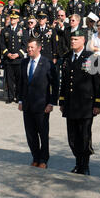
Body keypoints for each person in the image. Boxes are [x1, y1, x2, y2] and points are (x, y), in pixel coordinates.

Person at [59, 30, 100, 175]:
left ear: (83, 40)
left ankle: (84, 165)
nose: (73, 42)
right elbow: (65, 82)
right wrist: (62, 100)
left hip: (86, 104)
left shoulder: (91, 58)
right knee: (72, 137)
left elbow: (98, 81)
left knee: (84, 136)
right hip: (71, 103)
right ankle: (78, 163)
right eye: (72, 39)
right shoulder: (67, 57)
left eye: (76, 39)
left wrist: (98, 103)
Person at [18, 38, 59, 169]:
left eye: (32, 47)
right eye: (28, 47)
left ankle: (43, 159)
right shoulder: (24, 63)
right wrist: (20, 100)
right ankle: (35, 157)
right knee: (30, 134)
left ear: (39, 48)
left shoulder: (47, 63)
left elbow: (55, 84)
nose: (29, 50)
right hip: (27, 104)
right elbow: (21, 83)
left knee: (43, 133)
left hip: (42, 105)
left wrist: (52, 103)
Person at [0, 12, 28, 104]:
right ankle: (10, 96)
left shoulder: (23, 30)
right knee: (9, 79)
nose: (12, 20)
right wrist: (7, 54)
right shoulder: (5, 30)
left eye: (14, 18)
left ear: (18, 20)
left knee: (19, 79)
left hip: (19, 59)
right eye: (11, 18)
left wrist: (18, 54)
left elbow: (25, 45)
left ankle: (18, 96)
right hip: (8, 59)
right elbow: (2, 44)